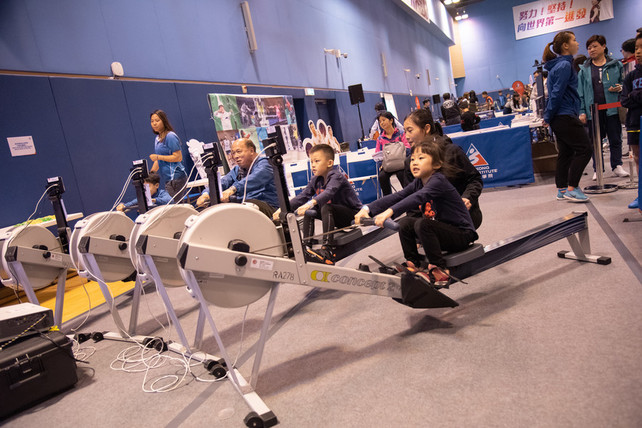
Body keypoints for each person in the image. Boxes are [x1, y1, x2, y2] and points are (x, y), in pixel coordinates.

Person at [354, 141, 478, 287]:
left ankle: (439, 270)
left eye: (421, 158)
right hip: (444, 232)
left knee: (423, 223)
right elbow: (399, 196)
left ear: (436, 165)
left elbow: (417, 198)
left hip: (462, 234)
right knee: (406, 222)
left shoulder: (438, 181)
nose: (414, 162)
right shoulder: (419, 182)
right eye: (412, 159)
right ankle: (413, 264)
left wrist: (388, 213)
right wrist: (367, 209)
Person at [401, 108, 484, 229]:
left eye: (410, 131)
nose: (406, 137)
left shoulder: (452, 151)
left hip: (463, 216)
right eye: (404, 132)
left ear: (427, 129)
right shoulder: (410, 162)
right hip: (433, 220)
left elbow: (475, 179)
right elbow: (411, 201)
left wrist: (467, 197)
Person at [273, 144, 362, 252]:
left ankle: (327, 247)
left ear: (329, 163)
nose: (313, 165)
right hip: (335, 216)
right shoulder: (316, 179)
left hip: (353, 215)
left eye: (317, 161)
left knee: (325, 207)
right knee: (310, 211)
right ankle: (306, 246)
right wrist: (282, 209)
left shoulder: (336, 176)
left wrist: (309, 204)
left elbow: (329, 192)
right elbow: (303, 196)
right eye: (311, 162)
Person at [542, 31, 592, 203]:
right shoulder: (563, 66)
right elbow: (556, 94)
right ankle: (572, 188)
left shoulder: (558, 66)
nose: (578, 43)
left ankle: (562, 189)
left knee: (566, 152)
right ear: (565, 45)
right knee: (585, 149)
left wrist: (549, 116)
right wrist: (547, 116)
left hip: (560, 116)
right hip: (564, 116)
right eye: (574, 40)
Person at [578, 34, 628, 179]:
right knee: (595, 141)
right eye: (589, 48)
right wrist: (582, 111)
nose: (591, 50)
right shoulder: (584, 70)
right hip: (592, 111)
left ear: (604, 46)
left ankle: (617, 165)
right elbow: (580, 93)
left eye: (594, 46)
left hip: (612, 108)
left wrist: (620, 87)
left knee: (615, 138)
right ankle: (597, 168)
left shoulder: (616, 65)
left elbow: (625, 82)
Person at [196, 138, 279, 217]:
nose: (235, 156)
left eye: (239, 152)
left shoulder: (266, 164)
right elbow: (224, 181)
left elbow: (253, 179)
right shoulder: (237, 170)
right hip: (247, 206)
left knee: (245, 206)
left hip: (269, 207)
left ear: (251, 150)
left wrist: (232, 189)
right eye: (233, 153)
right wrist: (206, 193)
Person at [620, 33, 642, 209]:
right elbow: (624, 100)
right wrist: (635, 96)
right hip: (634, 122)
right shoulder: (630, 76)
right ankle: (640, 195)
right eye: (637, 49)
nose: (639, 52)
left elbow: (631, 97)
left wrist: (634, 95)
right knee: (637, 158)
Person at [149, 110, 188, 202]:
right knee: (176, 206)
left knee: (172, 206)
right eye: (152, 121)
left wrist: (158, 157)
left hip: (177, 178)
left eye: (157, 121)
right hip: (168, 179)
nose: (154, 123)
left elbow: (178, 157)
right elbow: (159, 160)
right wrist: (150, 175)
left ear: (164, 121)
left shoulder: (170, 136)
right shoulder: (157, 138)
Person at [375, 111, 410, 195]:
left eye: (383, 120)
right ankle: (388, 200)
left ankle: (409, 196)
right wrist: (381, 163)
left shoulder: (401, 133)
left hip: (401, 164)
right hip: (388, 165)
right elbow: (377, 154)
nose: (382, 123)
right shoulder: (380, 139)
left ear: (391, 120)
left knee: (401, 174)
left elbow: (408, 148)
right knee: (382, 177)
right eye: (380, 122)